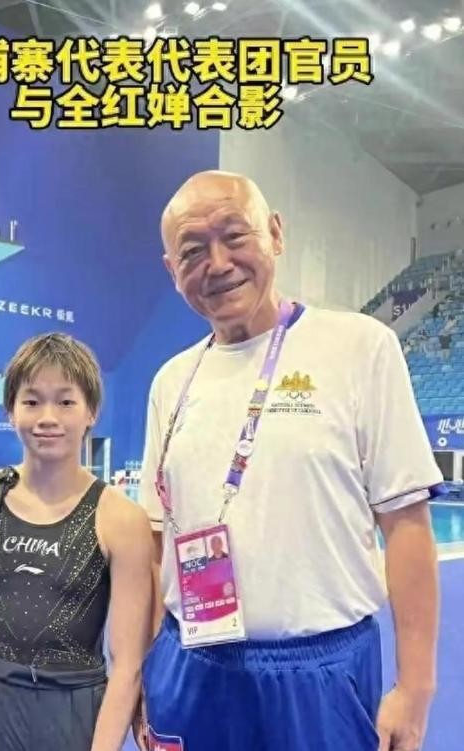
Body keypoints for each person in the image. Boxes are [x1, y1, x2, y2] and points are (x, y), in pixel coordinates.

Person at [137, 170, 444, 751]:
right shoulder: (171, 381)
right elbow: (156, 541)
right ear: (172, 269)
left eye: (235, 235)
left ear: (275, 233)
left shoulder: (359, 348)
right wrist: (149, 672)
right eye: (193, 251)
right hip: (190, 666)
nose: (218, 263)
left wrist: (416, 687)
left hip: (318, 675)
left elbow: (406, 524)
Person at [0, 333, 154, 751]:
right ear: (10, 411)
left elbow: (127, 666)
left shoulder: (121, 520)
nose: (48, 417)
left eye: (65, 402)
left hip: (73, 712)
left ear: (92, 411)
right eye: (31, 401)